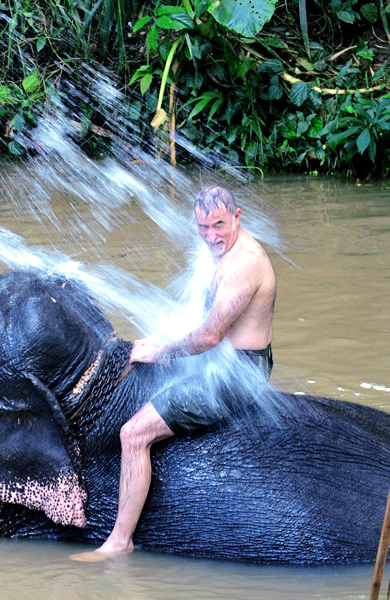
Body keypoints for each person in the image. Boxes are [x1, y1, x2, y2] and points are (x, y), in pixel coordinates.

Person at [71, 185, 276, 561]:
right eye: (203, 227)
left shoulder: (243, 263)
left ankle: (119, 542)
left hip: (237, 373)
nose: (210, 236)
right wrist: (160, 343)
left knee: (133, 434)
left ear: (237, 217)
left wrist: (163, 351)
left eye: (219, 225)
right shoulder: (222, 250)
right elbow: (206, 321)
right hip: (222, 358)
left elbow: (210, 336)